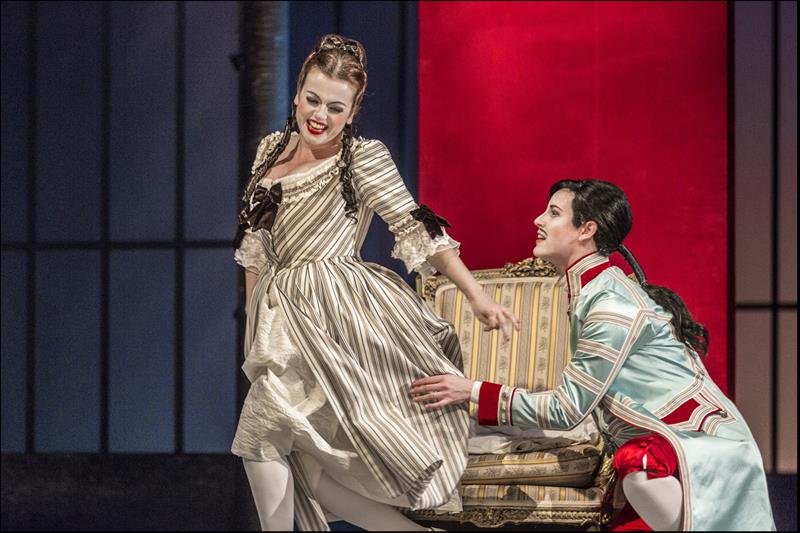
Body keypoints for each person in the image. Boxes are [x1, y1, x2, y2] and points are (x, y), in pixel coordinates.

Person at [231, 34, 519, 532]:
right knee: (304, 459)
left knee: (263, 429)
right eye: (313, 99)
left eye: (335, 108)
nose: (320, 115)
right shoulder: (269, 150)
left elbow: (417, 227)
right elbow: (255, 247)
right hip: (280, 317)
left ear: (353, 111)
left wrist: (476, 295)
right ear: (297, 93)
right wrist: (253, 329)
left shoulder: (362, 158)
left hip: (335, 312)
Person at [411, 179, 776, 531]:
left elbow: (567, 409)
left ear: (586, 230)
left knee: (637, 470)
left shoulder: (610, 304)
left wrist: (470, 390)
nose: (538, 220)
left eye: (554, 213)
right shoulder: (592, 290)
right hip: (663, 436)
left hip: (693, 443)